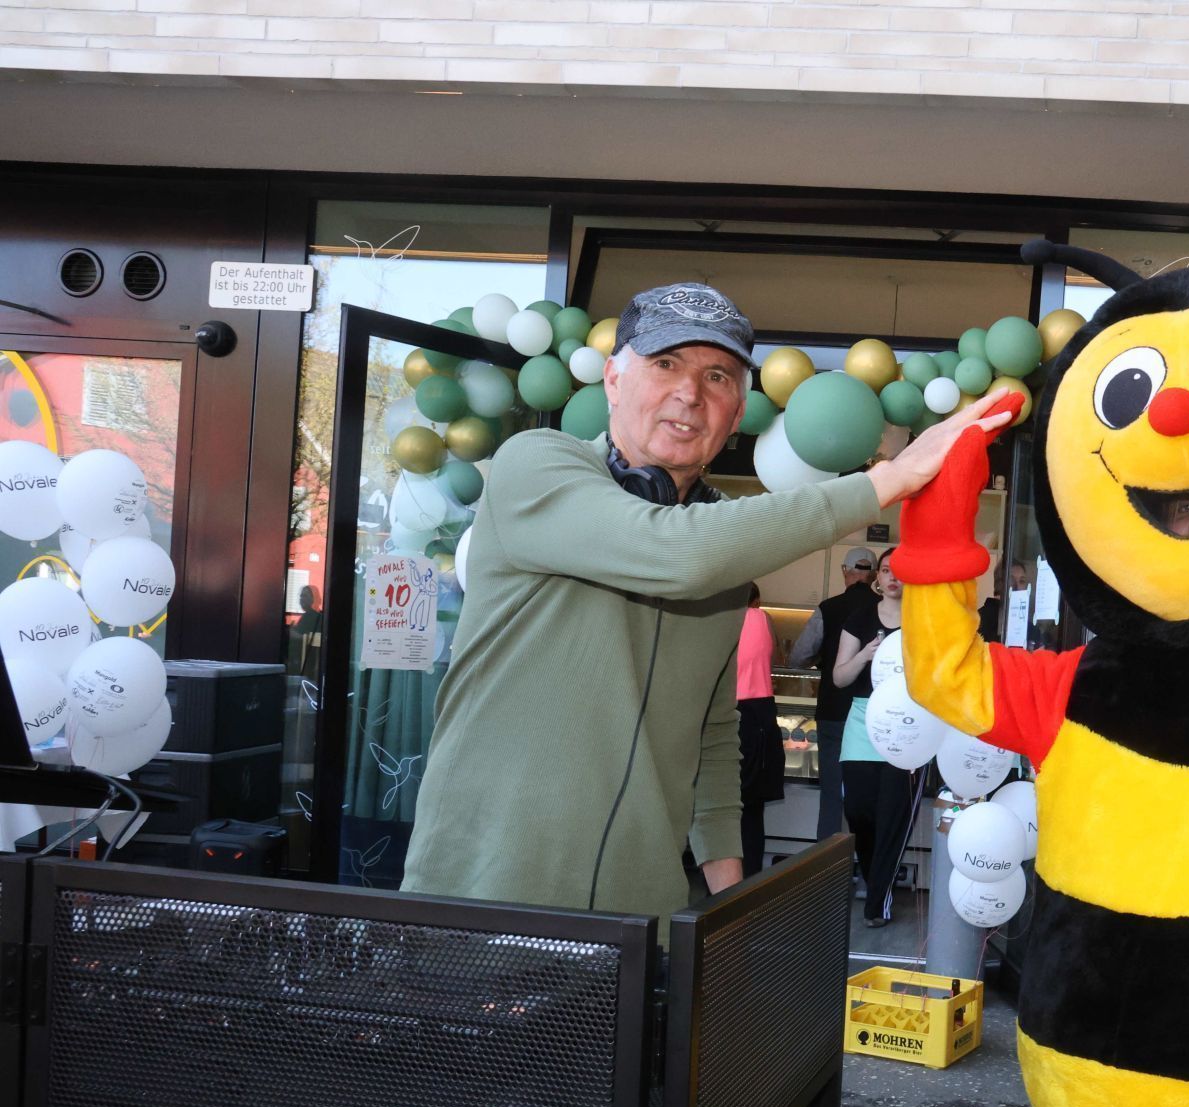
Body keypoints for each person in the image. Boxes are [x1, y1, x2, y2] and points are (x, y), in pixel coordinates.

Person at [402, 280, 1016, 919]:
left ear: (737, 409)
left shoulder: (722, 537)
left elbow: (714, 735)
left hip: (642, 919)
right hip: (481, 895)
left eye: (718, 376)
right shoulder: (537, 462)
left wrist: (729, 907)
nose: (689, 393)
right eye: (665, 363)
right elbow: (675, 552)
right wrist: (886, 480)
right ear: (613, 379)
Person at [832, 547, 920, 928]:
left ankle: (877, 904)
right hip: (862, 722)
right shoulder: (859, 618)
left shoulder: (924, 621)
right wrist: (867, 654)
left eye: (900, 571)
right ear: (877, 578)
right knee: (860, 812)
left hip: (909, 727)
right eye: (886, 570)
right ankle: (875, 881)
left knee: (892, 818)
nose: (893, 577)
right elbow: (839, 677)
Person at [787, 546, 877, 840]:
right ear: (875, 574)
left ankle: (826, 873)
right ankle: (868, 874)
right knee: (869, 796)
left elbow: (798, 657)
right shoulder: (886, 609)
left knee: (831, 795)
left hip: (834, 712)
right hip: (874, 718)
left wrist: (823, 658)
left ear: (845, 571)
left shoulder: (828, 608)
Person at [735, 582, 781, 877]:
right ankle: (749, 880)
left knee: (720, 806)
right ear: (757, 600)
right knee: (752, 810)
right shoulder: (763, 619)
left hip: (726, 712)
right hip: (760, 714)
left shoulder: (720, 622)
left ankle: (716, 882)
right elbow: (774, 658)